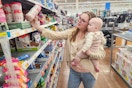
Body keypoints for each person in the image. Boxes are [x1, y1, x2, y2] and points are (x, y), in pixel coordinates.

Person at [30, 11, 97, 88]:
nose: (79, 21)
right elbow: (55, 35)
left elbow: (101, 54)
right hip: (74, 71)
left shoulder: (94, 36)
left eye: (83, 20)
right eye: (80, 18)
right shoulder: (72, 32)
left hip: (89, 72)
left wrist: (89, 53)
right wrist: (37, 26)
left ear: (89, 24)